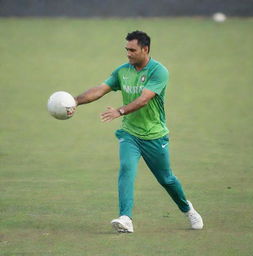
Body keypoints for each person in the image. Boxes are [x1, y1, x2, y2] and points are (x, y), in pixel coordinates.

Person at [75, 30, 203, 233]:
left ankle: (188, 209)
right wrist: (75, 101)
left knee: (166, 179)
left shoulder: (158, 71)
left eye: (132, 50)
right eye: (126, 49)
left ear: (145, 49)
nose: (128, 54)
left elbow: (144, 99)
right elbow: (99, 90)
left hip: (155, 134)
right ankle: (125, 218)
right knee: (126, 169)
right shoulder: (122, 71)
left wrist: (120, 110)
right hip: (130, 133)